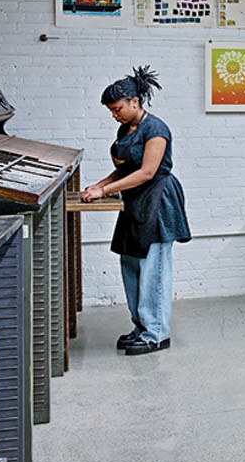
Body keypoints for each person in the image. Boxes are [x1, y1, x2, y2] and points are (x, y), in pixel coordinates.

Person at [81, 66, 192, 354]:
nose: (114, 115)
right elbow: (125, 170)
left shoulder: (156, 129)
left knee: (152, 269)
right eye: (111, 111)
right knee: (131, 265)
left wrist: (105, 191)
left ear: (134, 101)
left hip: (157, 201)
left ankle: (156, 334)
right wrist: (99, 185)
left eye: (117, 109)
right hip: (133, 202)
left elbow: (147, 172)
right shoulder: (124, 129)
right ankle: (141, 326)